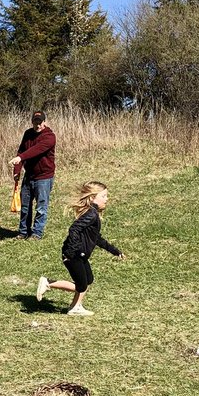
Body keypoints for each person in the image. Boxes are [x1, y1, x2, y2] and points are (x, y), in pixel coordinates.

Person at [35, 181, 123, 316]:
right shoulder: (91, 214)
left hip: (79, 255)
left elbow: (97, 239)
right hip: (74, 254)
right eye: (104, 196)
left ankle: (75, 307)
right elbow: (74, 229)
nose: (107, 199)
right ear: (93, 197)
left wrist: (115, 251)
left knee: (88, 280)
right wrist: (72, 251)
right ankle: (48, 283)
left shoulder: (92, 213)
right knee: (81, 285)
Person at [9, 110, 56, 239]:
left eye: (40, 122)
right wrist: (17, 171)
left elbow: (37, 150)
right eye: (36, 122)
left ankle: (37, 233)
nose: (38, 125)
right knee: (25, 206)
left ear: (44, 122)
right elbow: (21, 152)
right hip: (29, 175)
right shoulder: (28, 134)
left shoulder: (50, 137)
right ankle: (23, 232)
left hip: (44, 177)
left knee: (41, 207)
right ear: (32, 122)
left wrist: (21, 158)